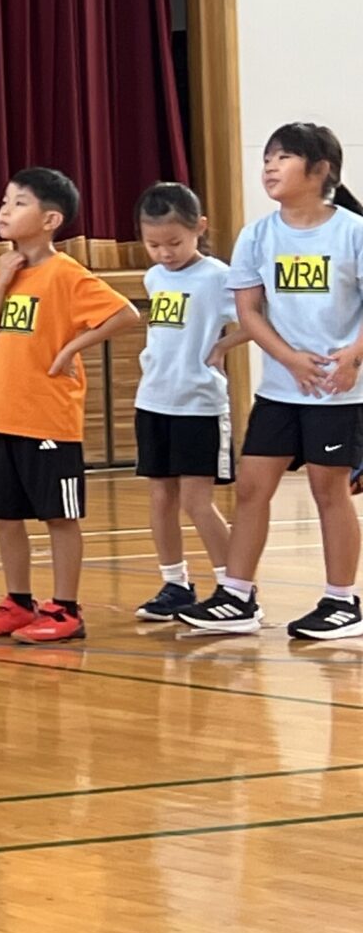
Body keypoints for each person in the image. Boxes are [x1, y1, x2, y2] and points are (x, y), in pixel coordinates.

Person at [181, 124, 363, 641]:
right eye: (267, 158)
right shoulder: (258, 234)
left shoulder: (352, 232)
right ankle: (237, 596)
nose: (269, 167)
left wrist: (351, 355)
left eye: (283, 157)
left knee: (330, 491)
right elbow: (249, 311)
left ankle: (341, 602)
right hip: (281, 389)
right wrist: (290, 360)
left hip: (337, 390)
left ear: (320, 169)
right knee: (251, 487)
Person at [0, 170, 139, 643]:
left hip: (49, 418)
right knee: (6, 514)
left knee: (59, 516)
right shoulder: (2, 273)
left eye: (18, 203)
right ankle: (18, 601)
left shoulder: (67, 275)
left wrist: (70, 349)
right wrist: (2, 279)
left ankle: (65, 609)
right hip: (6, 413)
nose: (4, 210)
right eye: (4, 201)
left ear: (50, 219)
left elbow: (126, 313)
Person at [130, 182, 246, 619]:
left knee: (198, 501)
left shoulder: (218, 276)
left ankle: (235, 586)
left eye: (174, 242)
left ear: (200, 227)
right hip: (154, 400)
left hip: (198, 405)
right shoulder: (154, 277)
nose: (164, 252)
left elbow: (259, 319)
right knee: (160, 498)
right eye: (153, 243)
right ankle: (175, 585)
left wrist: (224, 345)